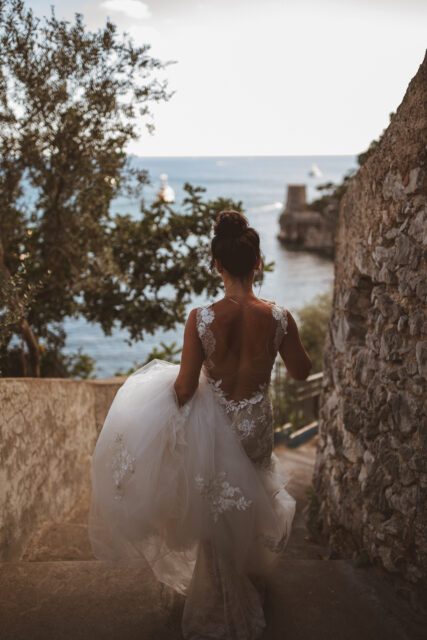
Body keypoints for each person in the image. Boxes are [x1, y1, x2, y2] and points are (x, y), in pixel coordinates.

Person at [89, 209, 312, 639]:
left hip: (218, 426)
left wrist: (152, 421)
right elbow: (302, 372)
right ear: (258, 263)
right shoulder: (280, 317)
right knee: (252, 498)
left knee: (217, 509)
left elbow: (186, 387)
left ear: (217, 265)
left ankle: (222, 598)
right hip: (257, 425)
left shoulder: (201, 318)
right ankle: (246, 582)